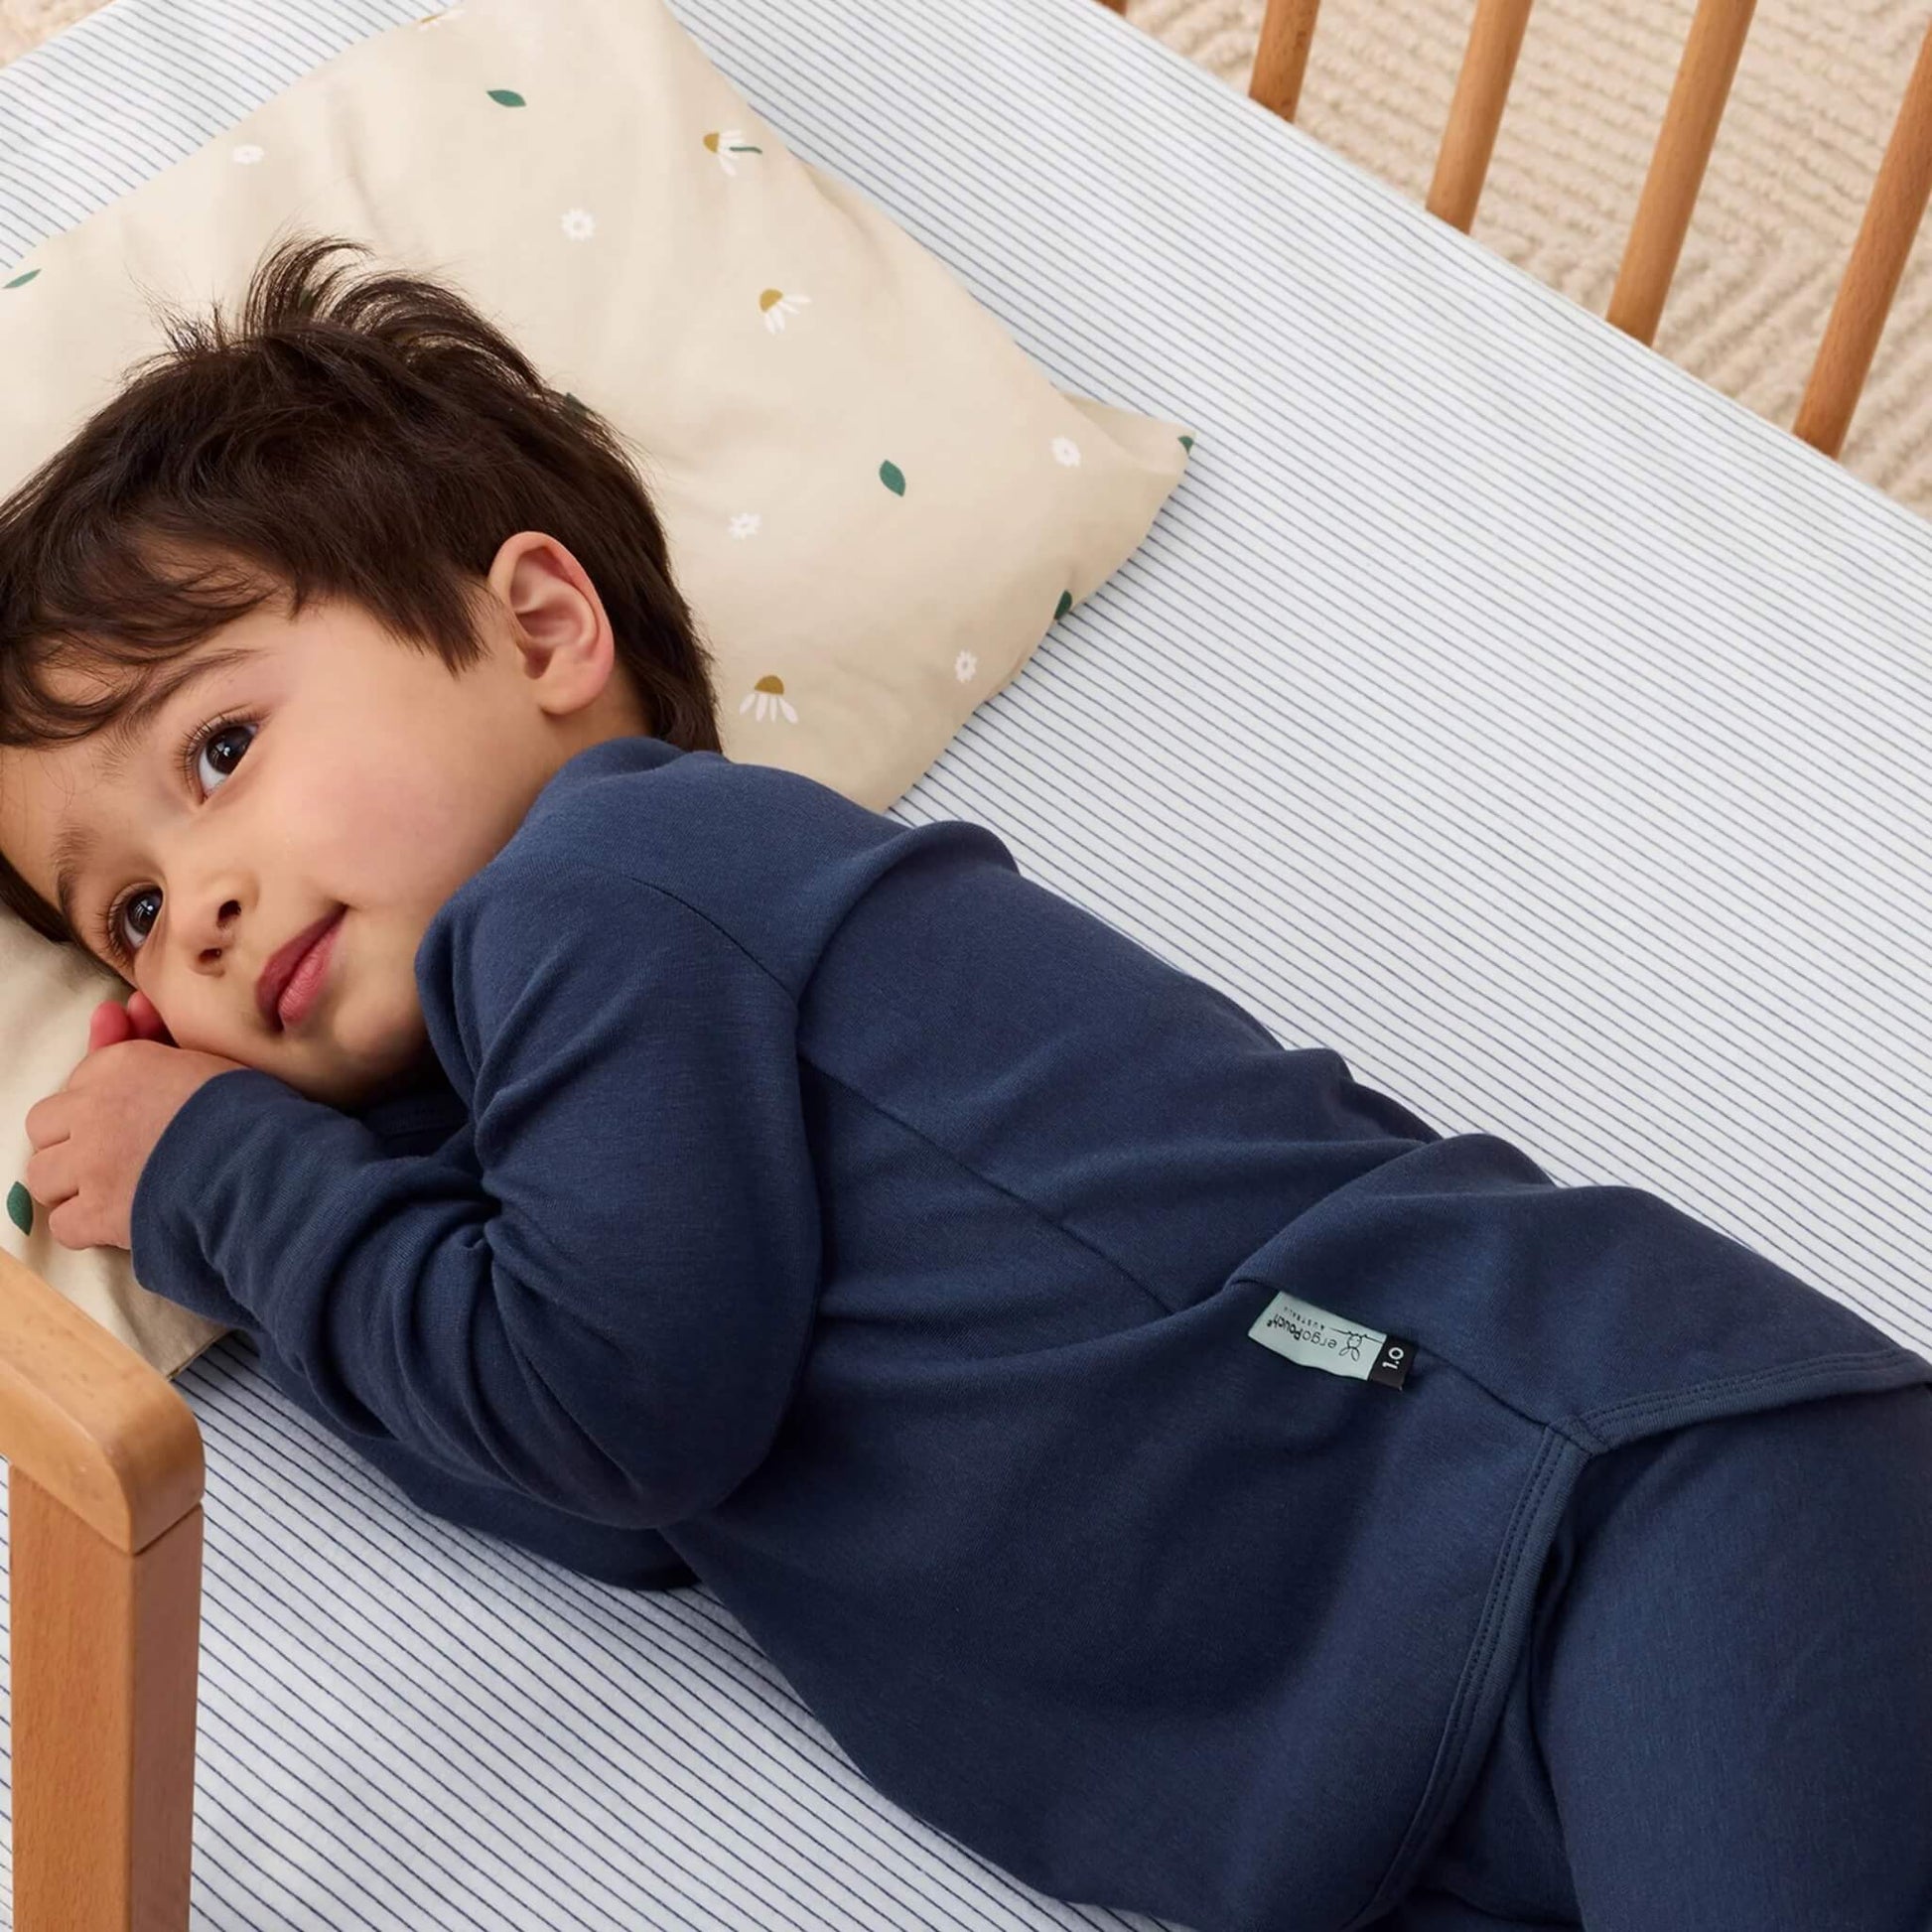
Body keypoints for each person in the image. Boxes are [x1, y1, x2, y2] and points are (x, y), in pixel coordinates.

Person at [4, 230, 1926, 1932]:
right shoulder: (550, 1165)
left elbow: (610, 1405)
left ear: (541, 627)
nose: (202, 915)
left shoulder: (613, 885)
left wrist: (221, 1177)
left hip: (1609, 1522)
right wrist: (290, 1205)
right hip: (1423, 1787)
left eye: (221, 747)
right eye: (133, 913)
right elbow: (606, 1489)